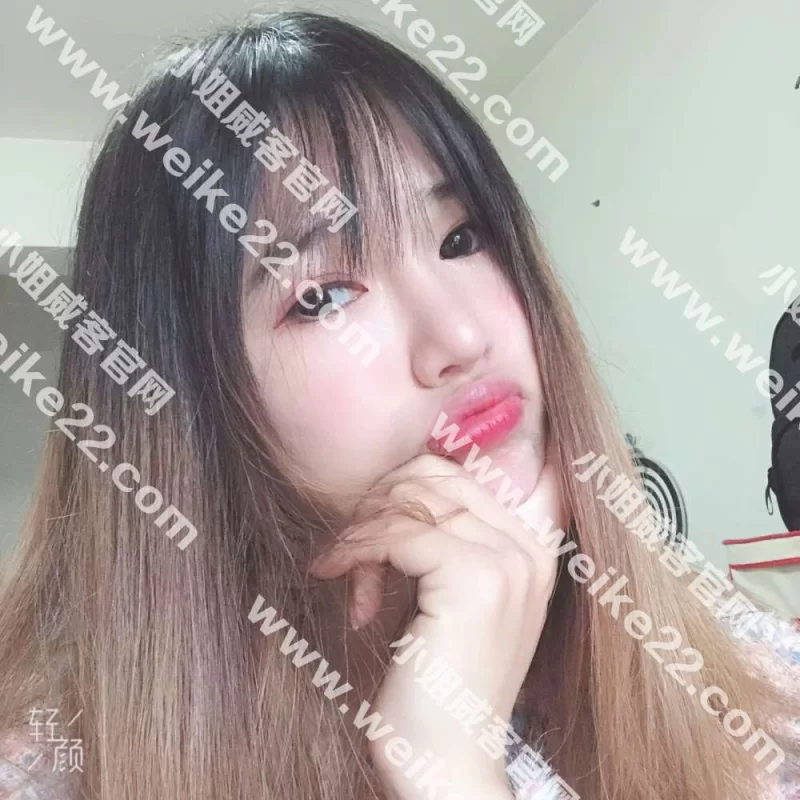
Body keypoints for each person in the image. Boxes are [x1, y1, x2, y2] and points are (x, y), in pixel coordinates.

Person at [0, 11, 798, 800]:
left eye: (462, 239)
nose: (459, 337)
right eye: (322, 296)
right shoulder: (55, 761)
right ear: (187, 413)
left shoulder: (738, 677)